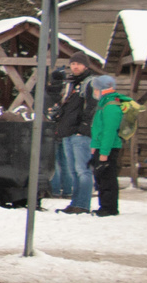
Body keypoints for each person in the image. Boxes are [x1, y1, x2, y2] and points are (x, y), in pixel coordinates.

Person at [51, 57, 95, 211]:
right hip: (67, 132)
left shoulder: (90, 83)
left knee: (83, 170)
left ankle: (82, 204)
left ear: (86, 66)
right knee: (73, 171)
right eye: (73, 64)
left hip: (80, 134)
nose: (75, 67)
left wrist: (83, 128)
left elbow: (92, 107)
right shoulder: (70, 83)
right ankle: (76, 203)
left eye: (79, 64)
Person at [87, 75, 124, 217]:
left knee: (107, 178)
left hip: (108, 148)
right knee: (101, 177)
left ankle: (109, 208)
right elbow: (98, 128)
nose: (94, 92)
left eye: (96, 89)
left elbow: (109, 131)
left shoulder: (111, 106)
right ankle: (104, 205)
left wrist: (104, 152)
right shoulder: (104, 103)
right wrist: (95, 145)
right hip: (101, 146)